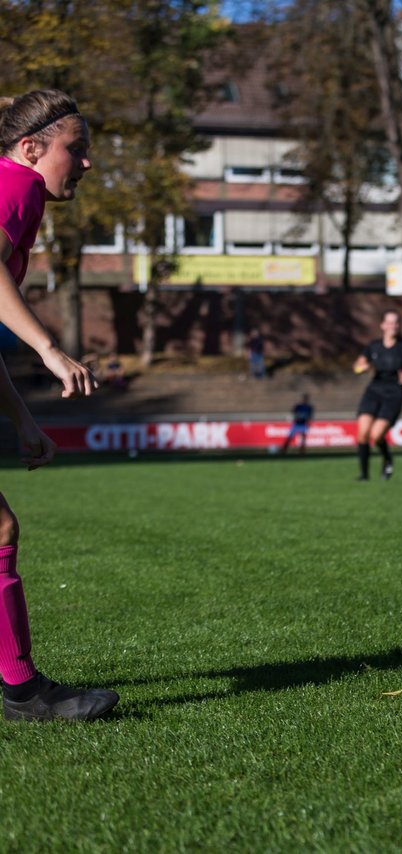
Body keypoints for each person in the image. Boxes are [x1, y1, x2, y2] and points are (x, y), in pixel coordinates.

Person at [0, 89, 117, 721]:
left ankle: (22, 689)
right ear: (31, 148)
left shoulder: (15, 191)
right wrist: (49, 348)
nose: (87, 164)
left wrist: (22, 419)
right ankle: (23, 693)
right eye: (77, 150)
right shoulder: (14, 185)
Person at [353, 309, 402, 481]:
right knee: (362, 433)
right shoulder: (373, 346)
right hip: (374, 390)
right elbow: (358, 365)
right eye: (389, 322)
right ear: (383, 325)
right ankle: (364, 475)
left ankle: (387, 458)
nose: (392, 326)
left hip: (394, 393)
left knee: (376, 435)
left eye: (395, 322)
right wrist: (362, 368)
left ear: (399, 326)